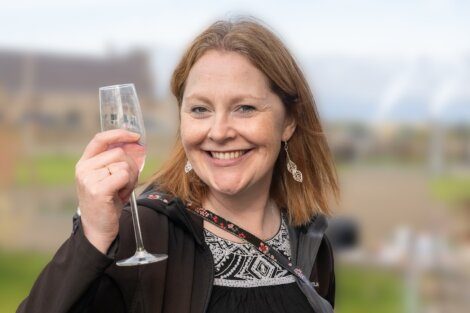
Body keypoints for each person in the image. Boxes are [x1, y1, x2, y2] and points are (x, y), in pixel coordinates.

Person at [18, 17, 339, 313]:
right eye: (200, 109)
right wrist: (91, 239)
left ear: (289, 122)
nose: (219, 132)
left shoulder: (310, 241)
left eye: (244, 108)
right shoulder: (137, 234)